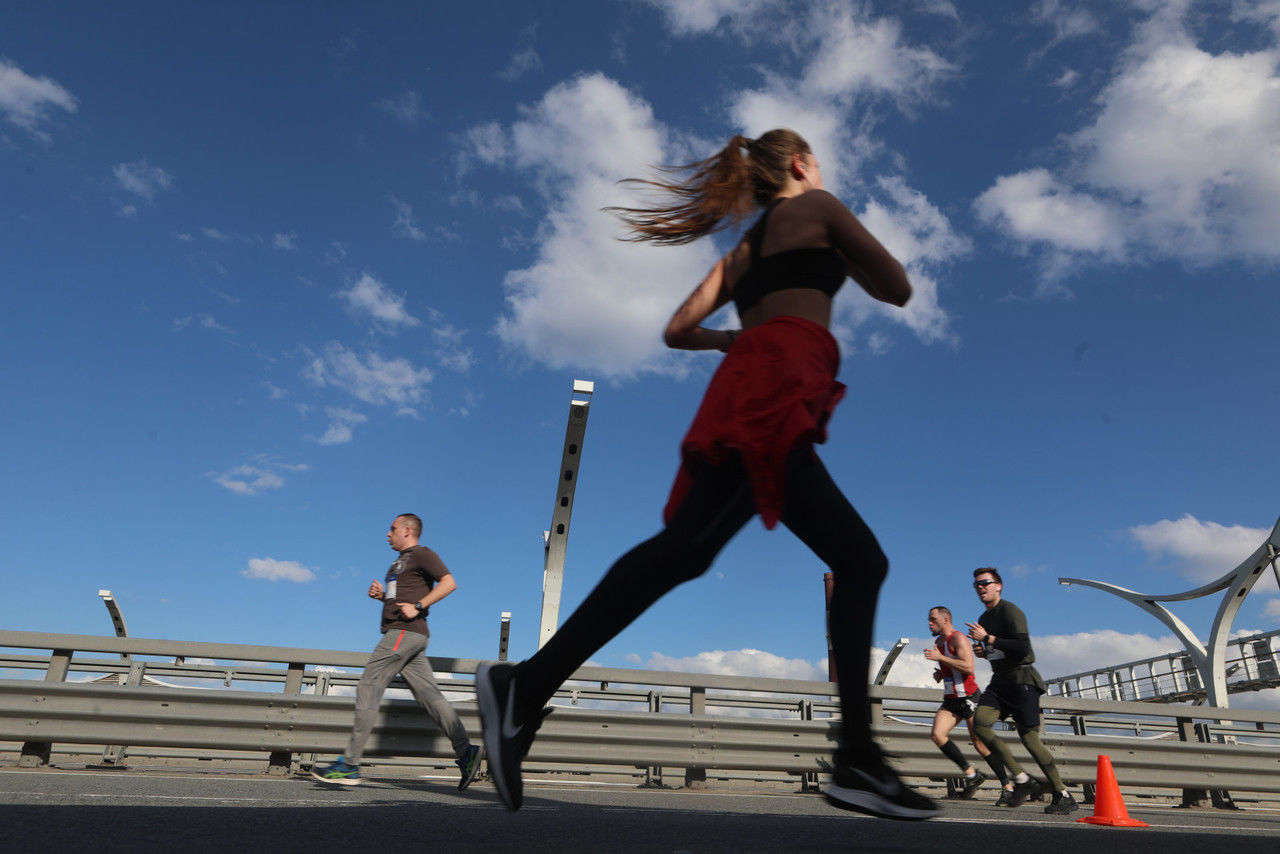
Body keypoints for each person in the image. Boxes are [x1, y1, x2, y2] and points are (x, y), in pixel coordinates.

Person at [476, 129, 939, 820]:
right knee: (857, 559)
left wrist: (736, 336)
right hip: (780, 378)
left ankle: (526, 686)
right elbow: (896, 286)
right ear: (803, 163)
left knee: (688, 553)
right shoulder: (821, 206)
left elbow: (678, 328)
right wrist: (837, 247)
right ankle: (859, 760)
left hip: (745, 379)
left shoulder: (743, 250)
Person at [312, 513, 482, 790]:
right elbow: (398, 597)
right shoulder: (397, 563)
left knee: (369, 684)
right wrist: (382, 596)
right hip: (409, 635)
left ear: (407, 530)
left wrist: (418, 605)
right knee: (431, 698)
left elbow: (449, 583)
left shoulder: (422, 554)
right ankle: (466, 752)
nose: (387, 534)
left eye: (392, 529)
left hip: (404, 632)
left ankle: (349, 765)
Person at [964, 567, 1078, 815]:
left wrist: (990, 640)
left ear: (999, 586)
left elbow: (1023, 647)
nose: (981, 588)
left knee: (1029, 738)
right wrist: (986, 653)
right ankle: (1022, 778)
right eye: (977, 585)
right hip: (1000, 681)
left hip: (1022, 679)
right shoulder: (984, 620)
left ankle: (1063, 793)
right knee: (981, 724)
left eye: (985, 583)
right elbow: (1000, 653)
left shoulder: (1010, 611)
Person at [923, 605, 1004, 799]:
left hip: (969, 698)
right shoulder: (938, 641)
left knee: (979, 744)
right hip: (951, 699)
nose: (930, 623)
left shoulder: (958, 638)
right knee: (937, 735)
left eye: (933, 619)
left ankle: (1008, 785)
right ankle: (972, 774)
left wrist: (940, 658)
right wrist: (941, 673)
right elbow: (952, 667)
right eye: (929, 619)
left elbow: (968, 667)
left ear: (946, 620)